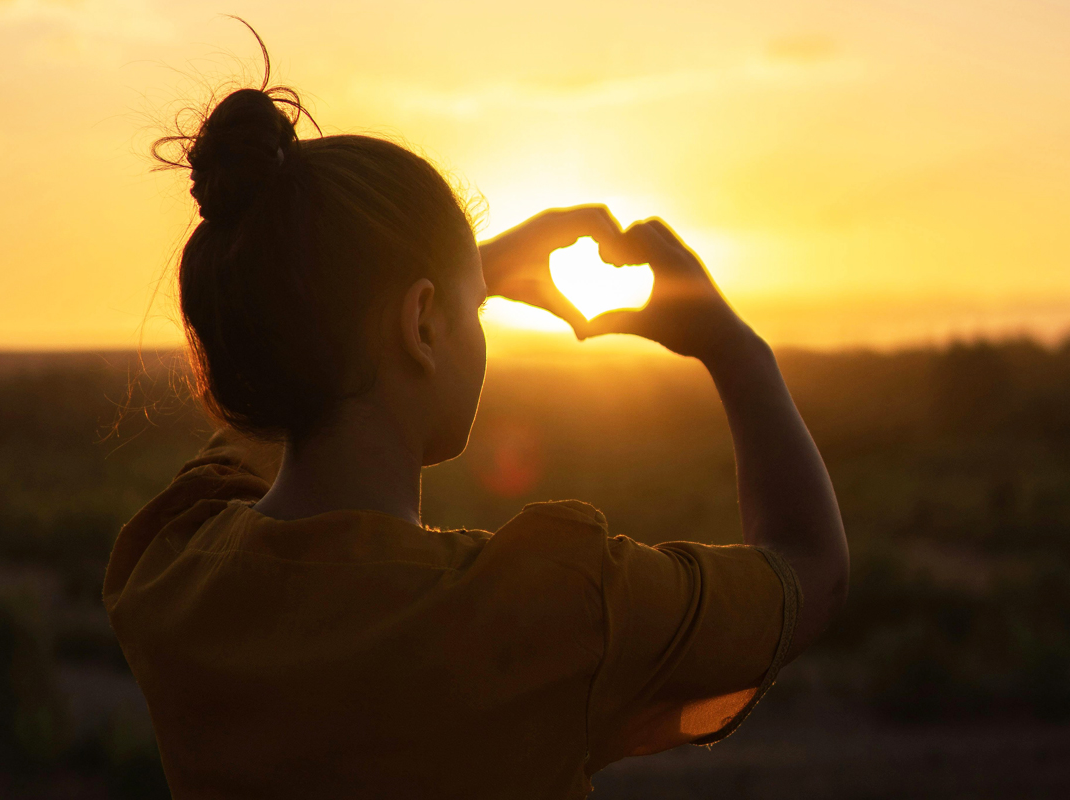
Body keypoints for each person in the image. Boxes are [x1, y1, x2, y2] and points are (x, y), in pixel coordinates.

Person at [103, 33, 849, 800]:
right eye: (470, 307)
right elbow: (810, 574)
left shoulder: (172, 570)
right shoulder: (550, 609)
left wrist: (453, 277)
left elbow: (287, 382)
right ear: (422, 324)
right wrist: (735, 346)